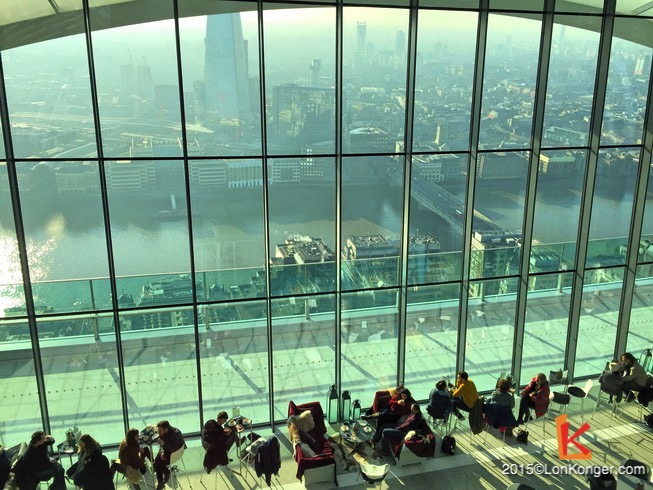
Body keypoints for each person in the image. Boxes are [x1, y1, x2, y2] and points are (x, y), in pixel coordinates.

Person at [153, 421, 185, 490]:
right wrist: (162, 451)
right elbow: (162, 446)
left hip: (175, 453)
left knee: (158, 464)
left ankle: (164, 477)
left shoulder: (175, 434)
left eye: (160, 430)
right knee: (156, 462)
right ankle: (163, 479)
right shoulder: (163, 433)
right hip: (167, 450)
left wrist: (163, 445)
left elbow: (173, 449)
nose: (158, 432)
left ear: (165, 429)